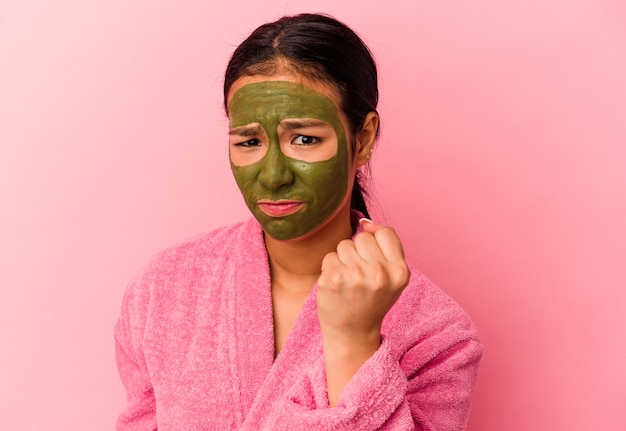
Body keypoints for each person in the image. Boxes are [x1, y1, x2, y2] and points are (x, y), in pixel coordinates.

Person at [115, 13, 482, 430]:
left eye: (304, 138)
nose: (272, 175)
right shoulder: (161, 290)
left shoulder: (437, 335)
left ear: (362, 139)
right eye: (249, 141)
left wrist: (353, 340)